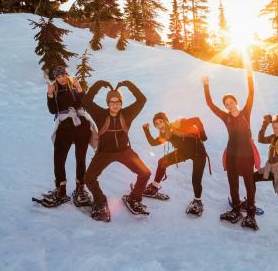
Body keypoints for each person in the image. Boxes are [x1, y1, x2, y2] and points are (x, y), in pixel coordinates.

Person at [82, 79, 151, 222]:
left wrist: (128, 85)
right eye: (112, 102)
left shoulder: (128, 114)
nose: (115, 105)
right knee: (88, 178)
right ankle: (100, 202)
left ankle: (134, 198)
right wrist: (99, 84)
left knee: (145, 173)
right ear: (108, 103)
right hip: (104, 153)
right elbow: (86, 101)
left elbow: (142, 100)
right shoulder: (100, 114)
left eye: (118, 102)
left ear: (121, 103)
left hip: (124, 152)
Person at [202, 66, 260, 230]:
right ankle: (235, 210)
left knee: (249, 184)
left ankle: (250, 214)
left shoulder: (245, 112)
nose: (229, 105)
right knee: (232, 183)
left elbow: (251, 94)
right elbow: (210, 104)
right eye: (226, 104)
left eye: (231, 102)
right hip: (232, 155)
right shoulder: (225, 117)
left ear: (236, 102)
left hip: (247, 155)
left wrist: (249, 76)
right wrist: (206, 84)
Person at [35, 66, 93, 208]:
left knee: (81, 157)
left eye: (63, 75)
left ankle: (80, 188)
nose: (61, 78)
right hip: (65, 126)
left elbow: (86, 104)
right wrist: (49, 95)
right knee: (59, 158)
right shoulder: (54, 90)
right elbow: (53, 110)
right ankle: (61, 189)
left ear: (67, 74)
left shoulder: (74, 86)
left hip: (81, 126)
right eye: (58, 76)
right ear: (55, 78)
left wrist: (79, 88)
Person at [142, 112, 210, 216]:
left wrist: (203, 135)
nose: (159, 125)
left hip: (198, 153)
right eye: (156, 124)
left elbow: (197, 119)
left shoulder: (178, 124)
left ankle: (198, 202)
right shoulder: (165, 135)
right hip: (183, 153)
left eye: (161, 122)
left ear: (166, 121)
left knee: (196, 179)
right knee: (162, 162)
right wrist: (146, 130)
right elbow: (153, 143)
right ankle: (153, 188)